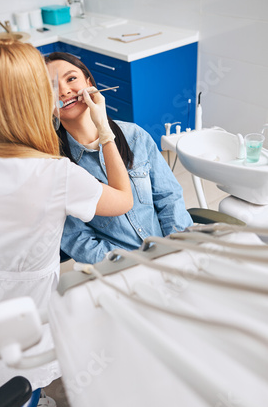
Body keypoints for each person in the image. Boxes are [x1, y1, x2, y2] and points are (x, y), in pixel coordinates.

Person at [0, 40, 133, 407]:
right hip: (22, 331)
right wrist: (106, 132)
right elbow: (123, 200)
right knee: (27, 371)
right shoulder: (55, 174)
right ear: (35, 98)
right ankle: (25, 402)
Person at [45, 52, 193, 265]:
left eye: (71, 79)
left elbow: (169, 197)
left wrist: (176, 249)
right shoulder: (55, 166)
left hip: (172, 251)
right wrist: (133, 264)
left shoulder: (135, 136)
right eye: (51, 87)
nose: (65, 91)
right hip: (122, 269)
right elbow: (78, 239)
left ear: (89, 82)